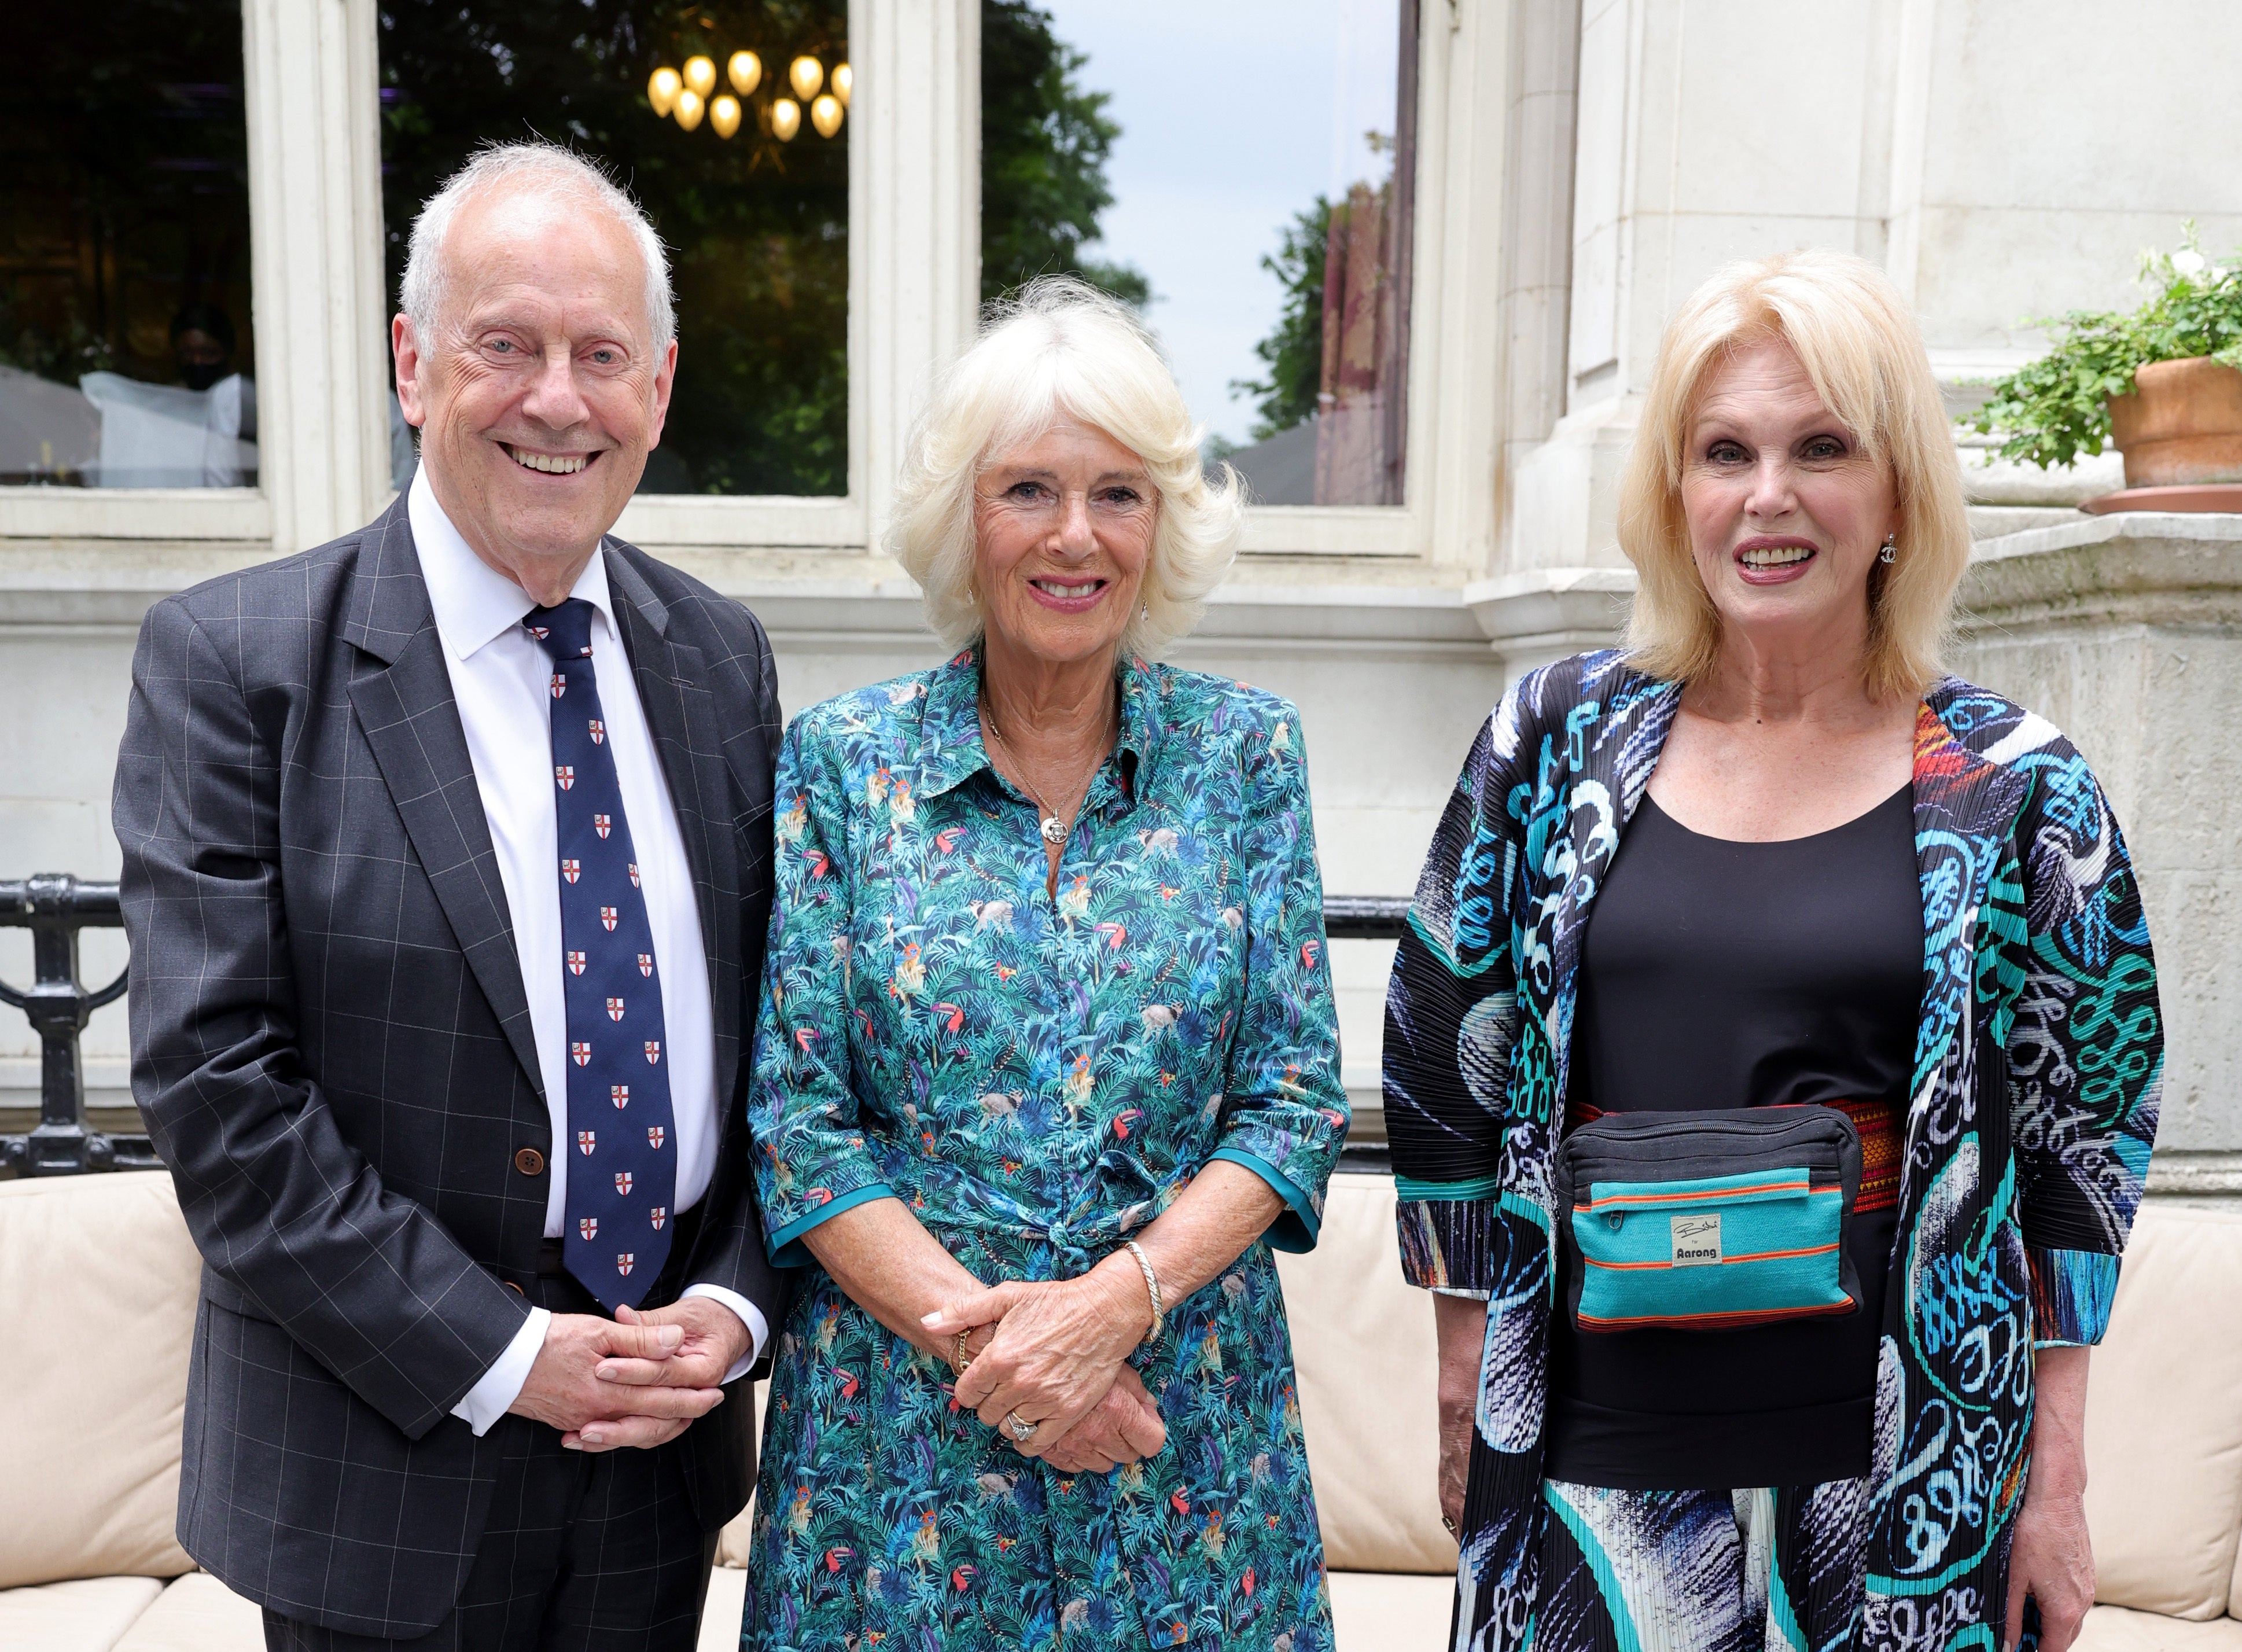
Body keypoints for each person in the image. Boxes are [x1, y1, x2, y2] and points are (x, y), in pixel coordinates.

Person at [1385, 248, 2163, 1652]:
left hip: (1905, 1459)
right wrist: (1460, 1364)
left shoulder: (2022, 789)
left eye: (1822, 448)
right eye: (1724, 451)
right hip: (1586, 1448)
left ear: (1899, 495)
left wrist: (2059, 1475)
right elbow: (1445, 1045)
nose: (1768, 497)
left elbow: (2082, 1145)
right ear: (1674, 493)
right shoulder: (1551, 741)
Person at [113, 141, 789, 1651]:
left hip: (655, 1462)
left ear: (658, 390)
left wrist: (735, 1312)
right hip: (381, 1464)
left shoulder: (720, 664)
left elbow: (784, 1044)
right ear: (415, 366)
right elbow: (220, 1097)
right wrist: (503, 1352)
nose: (558, 399)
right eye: (508, 345)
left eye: (600, 354)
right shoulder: (239, 666)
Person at [739, 277, 1348, 1650]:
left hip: (1184, 1439)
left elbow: (1295, 1098)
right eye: (1028, 489)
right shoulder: (846, 764)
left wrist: (1116, 1308)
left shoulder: (1247, 758)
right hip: (903, 1454)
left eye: (1119, 494)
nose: (1075, 535)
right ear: (966, 518)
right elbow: (801, 1124)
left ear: (1162, 525)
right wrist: (1020, 1366)